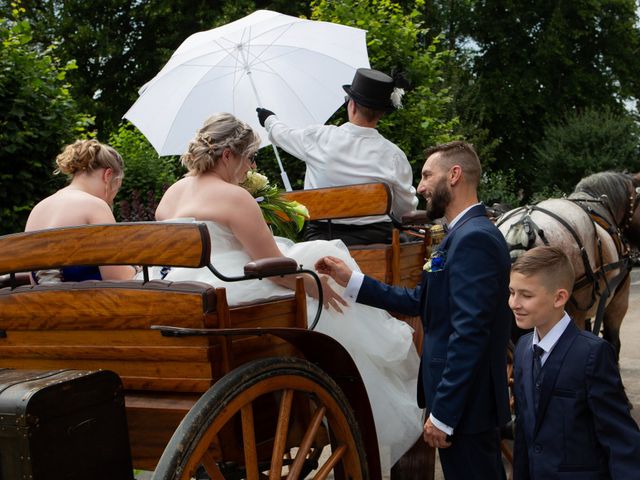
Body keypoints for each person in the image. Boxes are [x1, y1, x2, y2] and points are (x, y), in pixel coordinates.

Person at [150, 112, 424, 472]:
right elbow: (277, 270)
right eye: (249, 158)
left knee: (309, 258)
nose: (250, 167)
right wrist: (317, 285)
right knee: (319, 263)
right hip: (229, 292)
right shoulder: (233, 197)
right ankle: (351, 395)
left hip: (178, 294)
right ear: (228, 155)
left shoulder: (171, 194)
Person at [316, 140, 512, 480]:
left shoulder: (474, 239)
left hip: (468, 406)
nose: (420, 187)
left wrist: (445, 414)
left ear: (454, 175)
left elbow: (470, 333)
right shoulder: (459, 236)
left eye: (426, 175)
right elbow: (421, 302)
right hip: (461, 403)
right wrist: (353, 280)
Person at [509, 246, 640, 479]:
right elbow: (525, 432)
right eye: (511, 292)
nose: (514, 303)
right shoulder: (522, 350)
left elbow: (620, 439)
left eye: (526, 295)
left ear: (559, 297)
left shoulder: (593, 354)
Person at [256, 68, 418, 245]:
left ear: (352, 104)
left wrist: (269, 119)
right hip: (379, 245)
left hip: (324, 242)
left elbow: (282, 134)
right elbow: (405, 210)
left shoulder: (318, 138)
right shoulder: (394, 155)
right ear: (381, 113)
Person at [25, 139, 136, 282]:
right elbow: (117, 277)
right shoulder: (95, 206)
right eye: (117, 185)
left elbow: (32, 279)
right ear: (108, 175)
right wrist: (134, 268)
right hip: (89, 303)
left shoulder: (38, 209)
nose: (113, 197)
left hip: (39, 303)